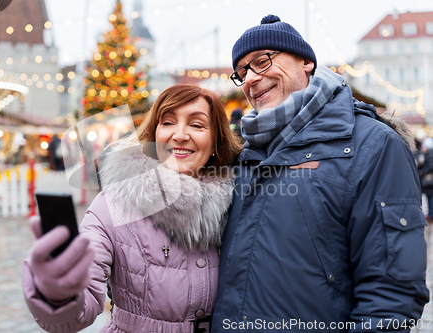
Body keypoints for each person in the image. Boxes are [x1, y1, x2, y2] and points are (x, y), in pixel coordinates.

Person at [211, 15, 429, 332]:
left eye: (261, 62)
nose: (250, 79)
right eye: (242, 72)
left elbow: (391, 292)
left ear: (306, 62)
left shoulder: (373, 144)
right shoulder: (245, 153)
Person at [22, 84, 242, 333]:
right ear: (153, 134)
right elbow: (77, 311)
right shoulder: (116, 201)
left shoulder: (239, 203)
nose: (180, 135)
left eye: (197, 124)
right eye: (168, 122)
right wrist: (59, 292)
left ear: (216, 140)